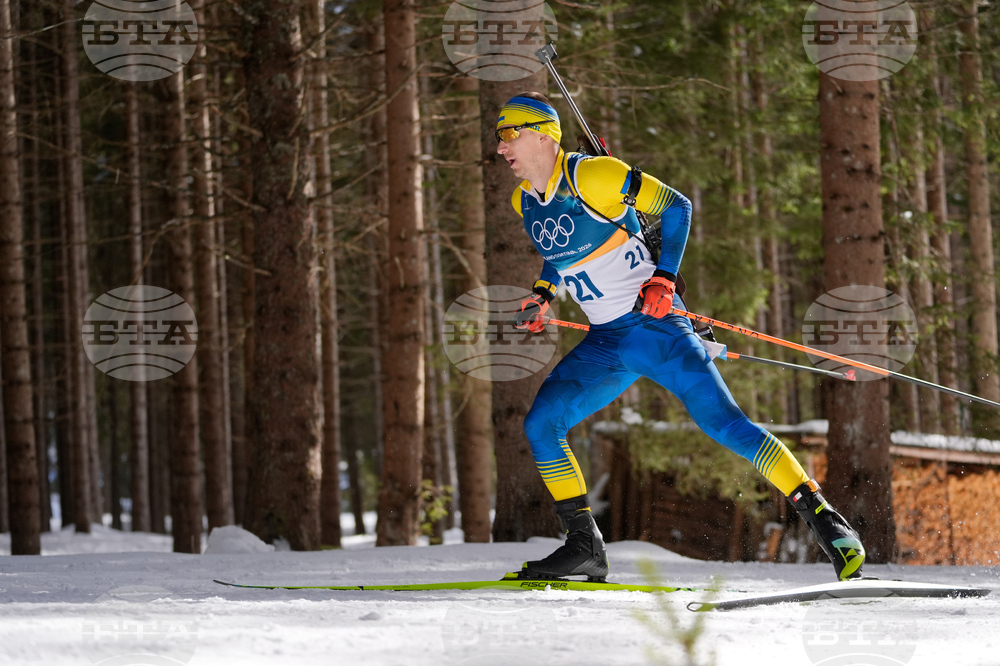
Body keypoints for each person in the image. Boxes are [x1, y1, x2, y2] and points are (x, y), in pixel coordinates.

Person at [496, 91, 865, 583]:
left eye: (509, 134)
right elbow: (556, 249)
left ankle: (826, 520)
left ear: (543, 134)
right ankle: (585, 545)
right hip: (606, 342)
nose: (501, 148)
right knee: (542, 423)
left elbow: (677, 206)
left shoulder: (592, 175)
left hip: (654, 327)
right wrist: (543, 294)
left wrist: (664, 278)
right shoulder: (523, 201)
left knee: (725, 424)